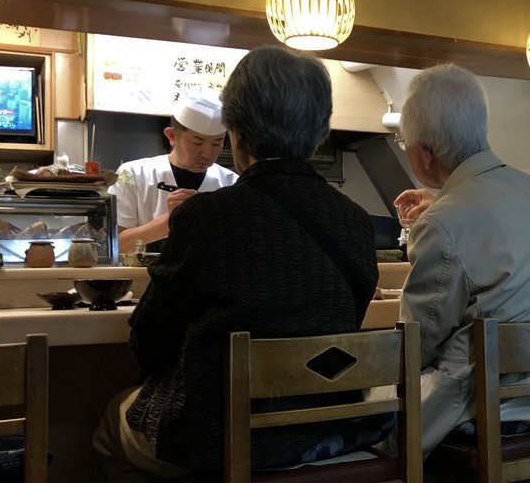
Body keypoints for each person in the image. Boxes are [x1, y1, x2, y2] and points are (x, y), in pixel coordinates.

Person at [93, 46, 383, 480]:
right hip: (322, 429)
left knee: (111, 418)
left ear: (236, 134)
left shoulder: (205, 217)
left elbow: (149, 346)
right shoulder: (357, 222)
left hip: (213, 440)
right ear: (320, 132)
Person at [378, 63, 530, 457]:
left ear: (424, 151)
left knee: (369, 408)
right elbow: (493, 213)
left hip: (486, 407)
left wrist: (443, 210)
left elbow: (415, 346)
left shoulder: (442, 223)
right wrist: (443, 201)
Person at [107, 95, 237, 254]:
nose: (208, 153)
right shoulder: (132, 174)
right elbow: (114, 246)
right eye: (197, 142)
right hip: (143, 278)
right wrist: (169, 220)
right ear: (172, 136)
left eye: (217, 143)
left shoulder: (231, 183)